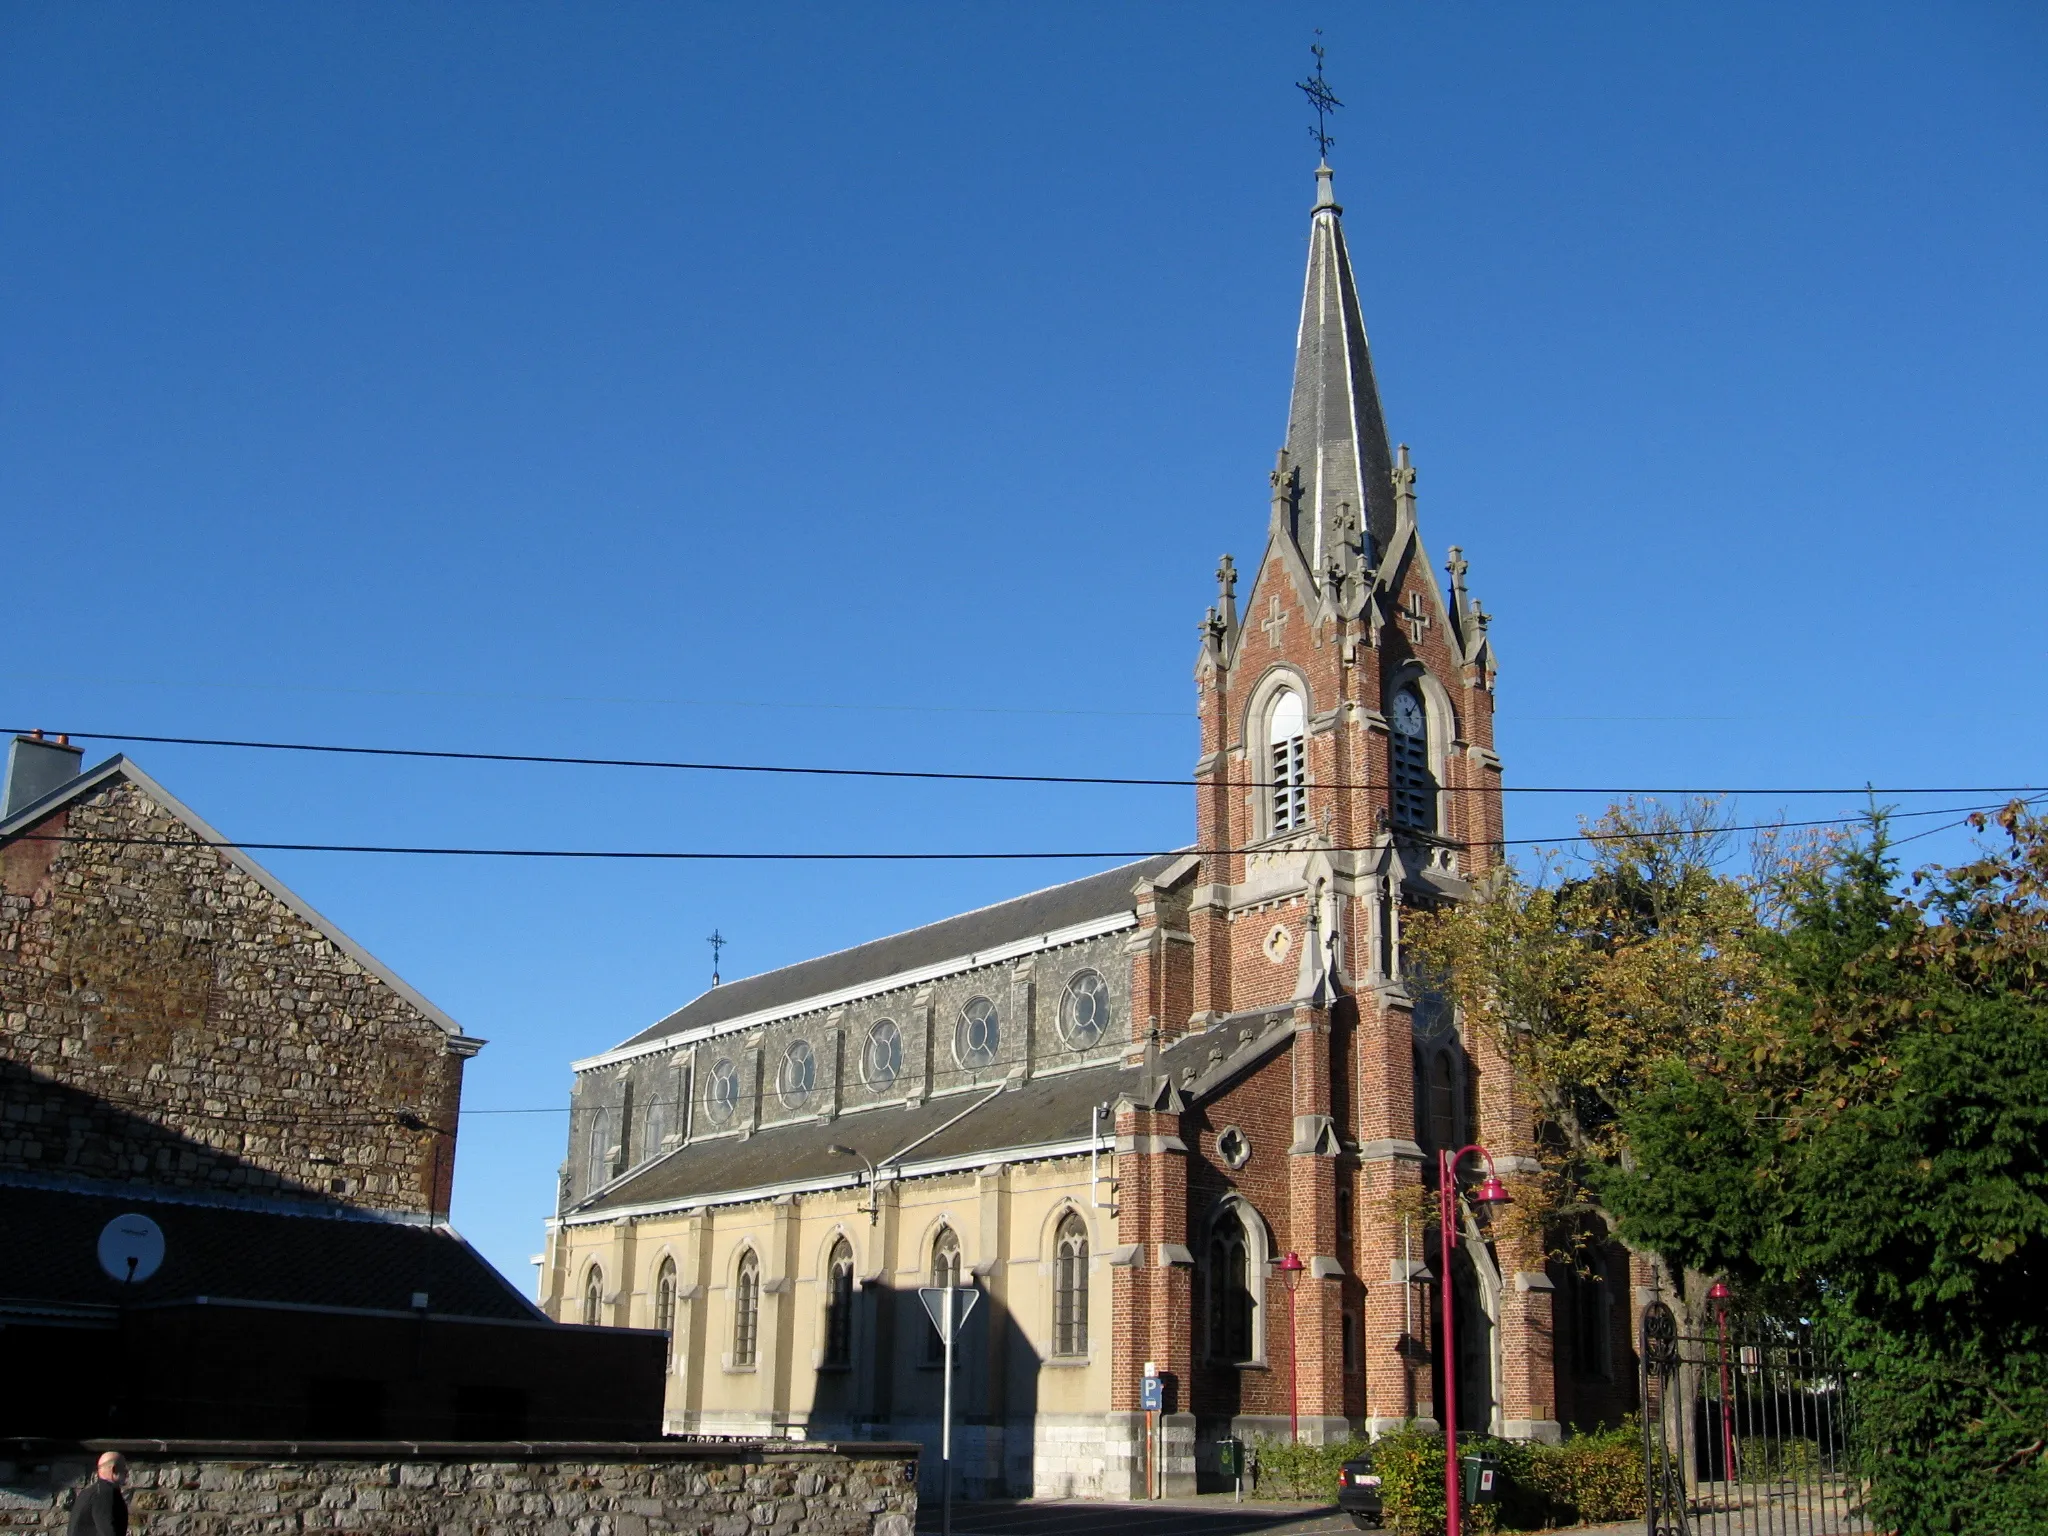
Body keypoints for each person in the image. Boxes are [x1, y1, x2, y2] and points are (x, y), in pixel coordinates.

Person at [68, 1452, 127, 1536]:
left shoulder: (89, 1492)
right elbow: (108, 1532)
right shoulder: (105, 1494)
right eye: (124, 1468)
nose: (126, 1472)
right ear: (114, 1470)